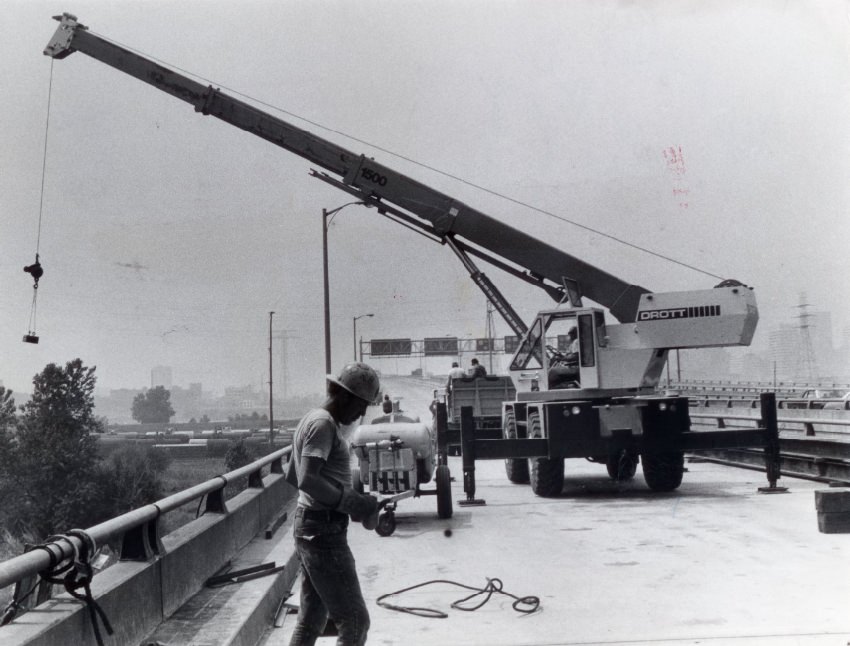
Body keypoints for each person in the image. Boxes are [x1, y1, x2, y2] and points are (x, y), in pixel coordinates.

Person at [288, 362, 381, 646]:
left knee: (311, 619)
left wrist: (345, 500)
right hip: (323, 532)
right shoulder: (323, 425)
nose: (363, 413)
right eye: (361, 404)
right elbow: (306, 479)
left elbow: (291, 474)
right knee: (355, 620)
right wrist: (353, 503)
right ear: (344, 396)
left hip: (311, 527)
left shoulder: (312, 418)